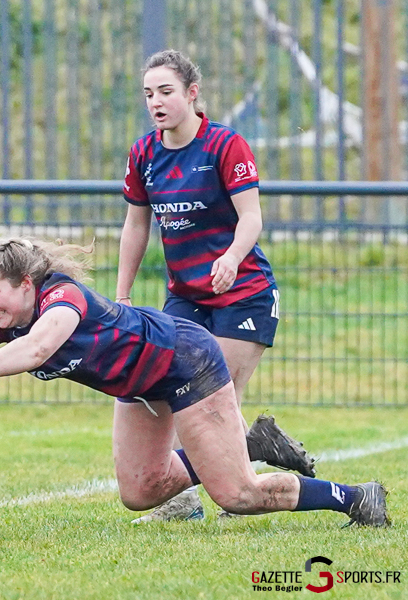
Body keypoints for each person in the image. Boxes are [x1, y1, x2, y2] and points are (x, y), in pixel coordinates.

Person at [0, 236, 389, 528]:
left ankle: (354, 496)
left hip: (186, 362)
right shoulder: (10, 312)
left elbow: (37, 349)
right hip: (141, 388)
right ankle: (254, 443)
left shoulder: (62, 297)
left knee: (238, 496)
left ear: (25, 283)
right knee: (140, 491)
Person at [116, 49, 313, 522]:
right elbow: (136, 227)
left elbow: (252, 217)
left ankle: (226, 488)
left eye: (166, 91)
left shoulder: (225, 145)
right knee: (182, 393)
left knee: (209, 402)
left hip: (243, 292)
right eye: (148, 94)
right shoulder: (144, 153)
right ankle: (236, 465)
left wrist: (230, 257)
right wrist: (122, 296)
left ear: (191, 93)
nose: (156, 102)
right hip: (184, 296)